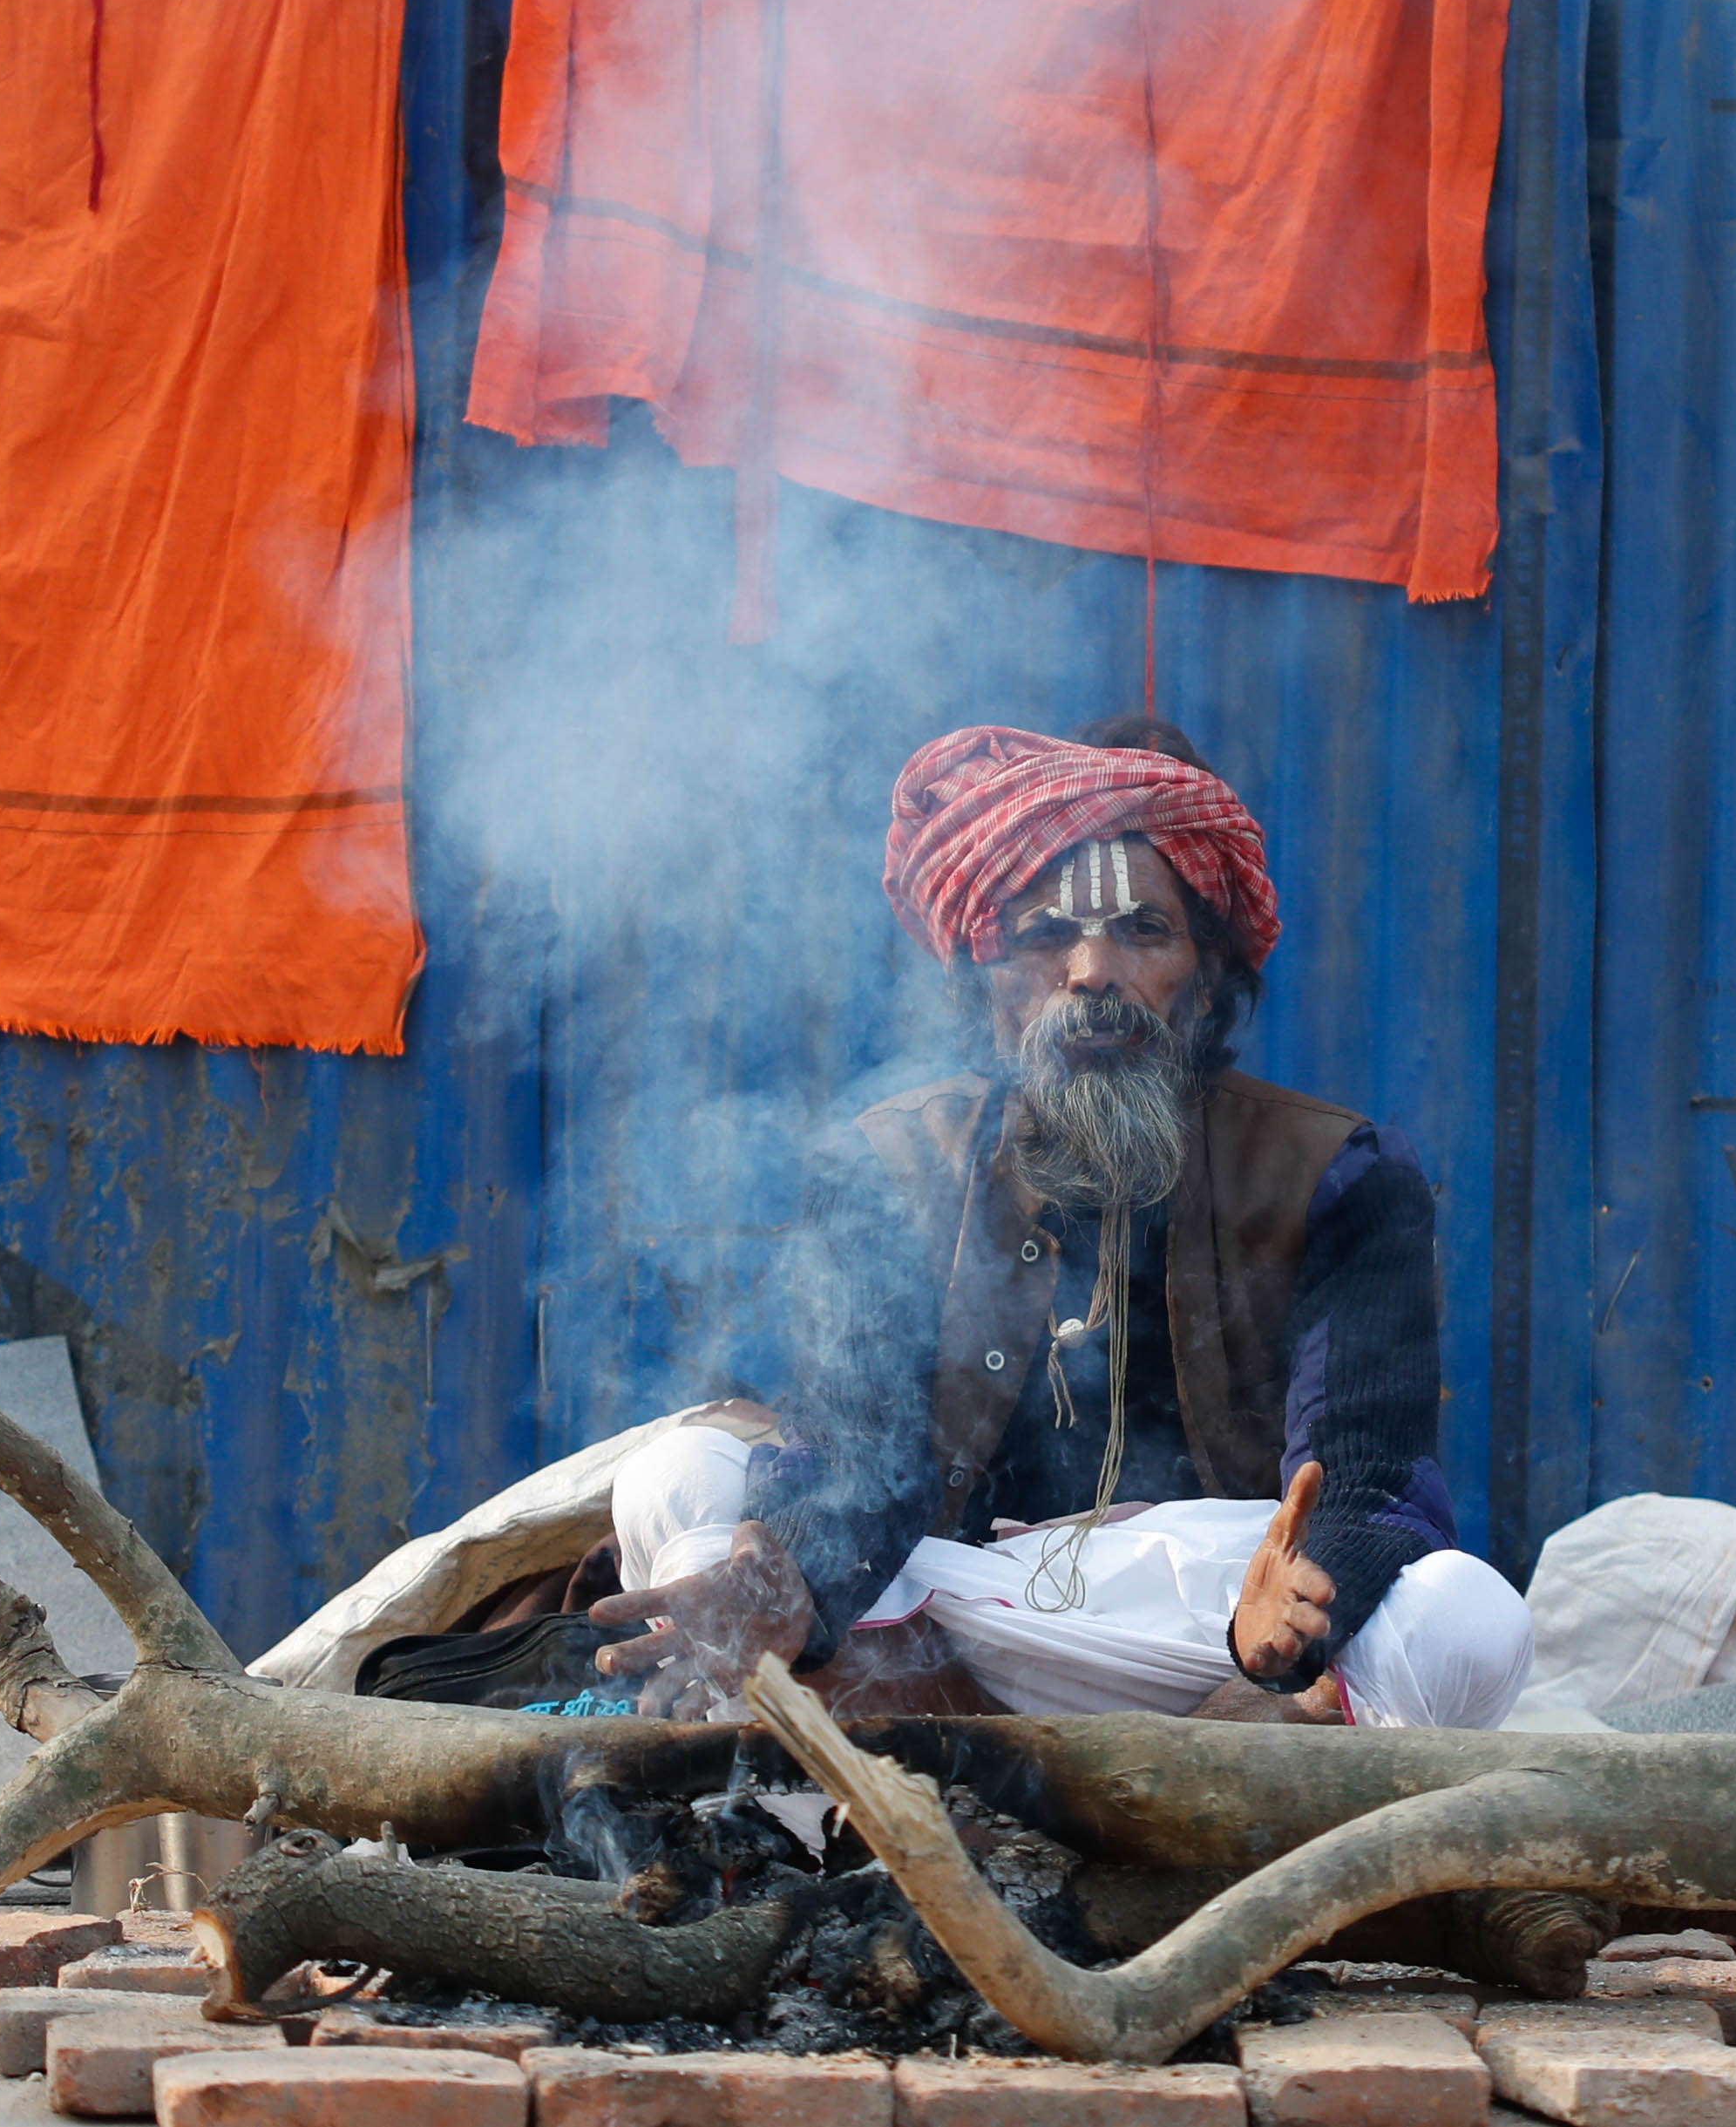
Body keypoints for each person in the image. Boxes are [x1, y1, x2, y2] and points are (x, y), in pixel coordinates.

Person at [589, 717, 1532, 1728]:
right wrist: (788, 1576)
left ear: (1205, 978)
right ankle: (850, 1737)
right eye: (1044, 935)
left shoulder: (1338, 1173)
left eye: (1143, 930)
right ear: (985, 974)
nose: (1090, 971)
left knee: (1467, 1613)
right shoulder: (885, 1165)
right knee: (676, 1474)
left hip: (1209, 1630)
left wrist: (1306, 1610)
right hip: (949, 1615)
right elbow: (854, 1444)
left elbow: (1374, 1476)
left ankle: (1204, 1750)